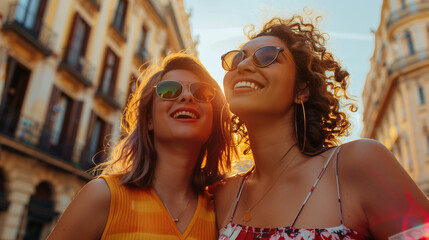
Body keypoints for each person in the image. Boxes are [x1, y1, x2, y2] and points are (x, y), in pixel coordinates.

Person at [215, 16, 429, 240]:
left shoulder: (359, 164)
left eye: (267, 57)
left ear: (301, 91)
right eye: (237, 58)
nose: (243, 65)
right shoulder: (224, 195)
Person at [47, 53, 235, 239]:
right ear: (149, 120)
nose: (186, 96)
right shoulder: (103, 196)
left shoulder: (223, 211)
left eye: (202, 93)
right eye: (168, 90)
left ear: (213, 120)